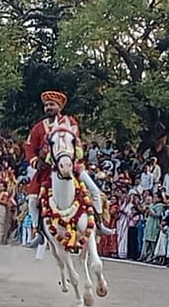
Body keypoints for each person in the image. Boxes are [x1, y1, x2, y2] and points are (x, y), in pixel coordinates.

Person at [22, 90, 111, 246]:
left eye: (52, 105)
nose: (48, 107)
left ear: (59, 107)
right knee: (32, 200)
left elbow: (76, 143)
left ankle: (99, 223)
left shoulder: (70, 123)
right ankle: (38, 232)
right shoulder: (38, 128)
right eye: (46, 105)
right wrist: (36, 161)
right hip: (46, 170)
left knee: (95, 191)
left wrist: (73, 158)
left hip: (71, 166)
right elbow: (29, 147)